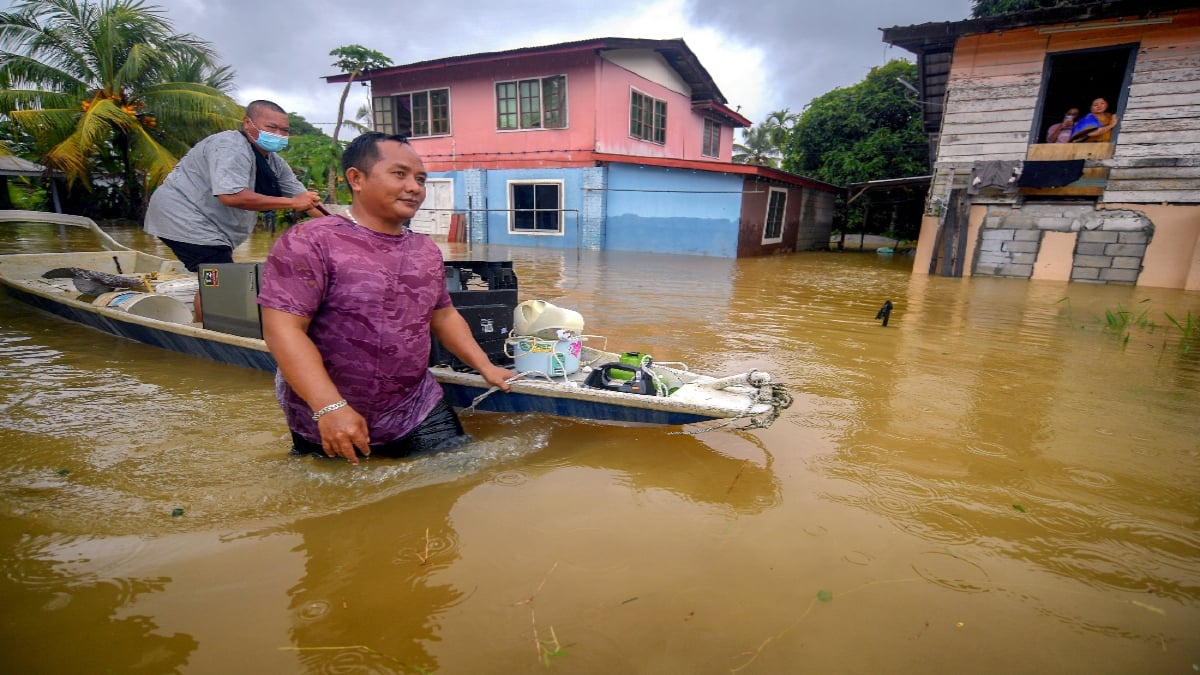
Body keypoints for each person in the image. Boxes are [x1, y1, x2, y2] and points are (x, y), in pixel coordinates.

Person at [257, 132, 513, 464]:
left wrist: (487, 367)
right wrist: (329, 407)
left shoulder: (425, 250)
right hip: (328, 413)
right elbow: (283, 330)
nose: (414, 187)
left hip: (416, 407)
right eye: (400, 174)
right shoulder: (310, 241)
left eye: (420, 179)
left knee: (455, 480)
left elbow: (443, 316)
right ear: (356, 179)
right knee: (340, 507)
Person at [144, 100, 322, 273]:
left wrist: (343, 226)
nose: (278, 134)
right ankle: (215, 300)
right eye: (271, 127)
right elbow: (231, 196)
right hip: (185, 217)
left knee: (217, 281)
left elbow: (306, 200)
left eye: (284, 130)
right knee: (220, 284)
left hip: (213, 228)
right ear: (247, 123)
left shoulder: (275, 163)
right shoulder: (230, 146)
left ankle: (212, 298)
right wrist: (292, 203)